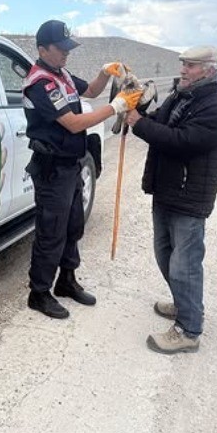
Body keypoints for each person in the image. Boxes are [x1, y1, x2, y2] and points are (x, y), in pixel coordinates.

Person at [23, 19, 142, 319]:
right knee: (51, 232)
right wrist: (116, 107)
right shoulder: (41, 83)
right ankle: (39, 293)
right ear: (43, 49)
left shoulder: (60, 74)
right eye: (61, 48)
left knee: (73, 226)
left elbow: (89, 91)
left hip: (71, 165)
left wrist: (104, 72)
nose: (67, 52)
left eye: (68, 47)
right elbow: (74, 123)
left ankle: (66, 280)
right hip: (52, 168)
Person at [125, 45, 217, 353]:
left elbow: (181, 141)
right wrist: (138, 107)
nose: (183, 69)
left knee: (184, 265)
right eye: (183, 63)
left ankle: (189, 330)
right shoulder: (182, 95)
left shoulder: (216, 107)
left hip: (189, 197)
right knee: (165, 255)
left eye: (191, 65)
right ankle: (184, 304)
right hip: (166, 191)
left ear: (209, 70)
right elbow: (160, 121)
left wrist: (138, 122)